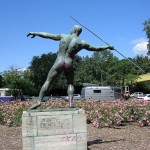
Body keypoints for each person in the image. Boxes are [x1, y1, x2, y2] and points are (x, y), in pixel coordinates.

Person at [27, 25, 114, 109]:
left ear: (75, 30)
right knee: (70, 83)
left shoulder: (63, 36)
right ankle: (71, 103)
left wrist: (35, 33)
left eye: (72, 28)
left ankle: (38, 101)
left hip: (59, 61)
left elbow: (48, 35)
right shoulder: (82, 43)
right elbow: (96, 48)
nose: (71, 30)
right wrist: (107, 47)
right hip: (69, 63)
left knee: (48, 81)